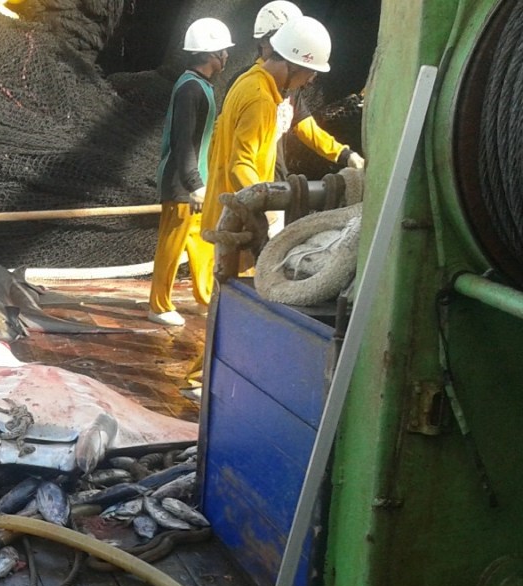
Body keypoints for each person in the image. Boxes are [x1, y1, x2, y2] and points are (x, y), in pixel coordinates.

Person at [181, 14, 335, 401]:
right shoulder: (261, 98)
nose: (311, 81)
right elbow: (242, 163)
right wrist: (262, 213)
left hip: (230, 210)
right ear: (295, 64)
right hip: (238, 218)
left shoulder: (249, 81)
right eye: (310, 73)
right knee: (232, 301)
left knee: (227, 300)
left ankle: (204, 376)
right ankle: (203, 380)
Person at [147, 18, 233, 327]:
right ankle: (158, 305)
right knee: (172, 243)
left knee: (198, 239)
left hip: (196, 181)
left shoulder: (201, 86)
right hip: (181, 182)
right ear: (212, 55)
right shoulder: (190, 89)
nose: (226, 57)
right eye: (223, 52)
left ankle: (204, 295)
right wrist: (193, 183)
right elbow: (183, 141)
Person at [252, 1, 365, 181]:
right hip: (249, 189)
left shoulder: (290, 88)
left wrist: (344, 154)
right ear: (264, 41)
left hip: (274, 182)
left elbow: (307, 128)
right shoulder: (250, 86)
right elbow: (237, 155)